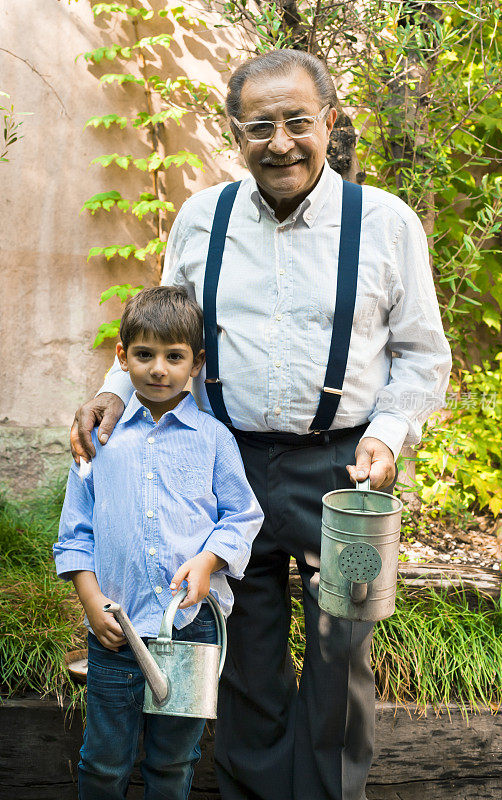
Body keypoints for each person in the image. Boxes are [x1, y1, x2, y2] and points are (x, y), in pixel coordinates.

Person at [71, 50, 451, 800]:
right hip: (225, 465)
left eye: (297, 122)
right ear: (233, 133)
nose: (280, 141)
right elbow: (164, 326)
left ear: (330, 123)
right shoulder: (200, 219)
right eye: (259, 126)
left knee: (342, 651)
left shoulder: (384, 223)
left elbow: (420, 354)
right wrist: (117, 389)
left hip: (342, 472)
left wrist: (388, 433)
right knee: (243, 650)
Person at [55, 286, 263, 800]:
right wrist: (89, 599)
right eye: (144, 355)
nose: (158, 369)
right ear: (122, 356)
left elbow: (243, 516)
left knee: (173, 762)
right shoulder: (99, 441)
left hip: (189, 634)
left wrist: (207, 560)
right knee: (103, 762)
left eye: (174, 357)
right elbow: (75, 531)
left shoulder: (214, 439)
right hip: (115, 634)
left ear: (196, 364)